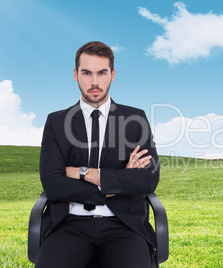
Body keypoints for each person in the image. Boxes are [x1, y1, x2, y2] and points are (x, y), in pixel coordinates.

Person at [35, 41, 159, 268]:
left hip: (123, 226)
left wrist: (82, 173)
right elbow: (53, 185)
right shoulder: (56, 121)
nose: (94, 82)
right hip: (68, 225)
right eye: (86, 73)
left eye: (102, 73)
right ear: (75, 75)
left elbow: (147, 179)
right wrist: (116, 183)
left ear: (112, 75)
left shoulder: (135, 119)